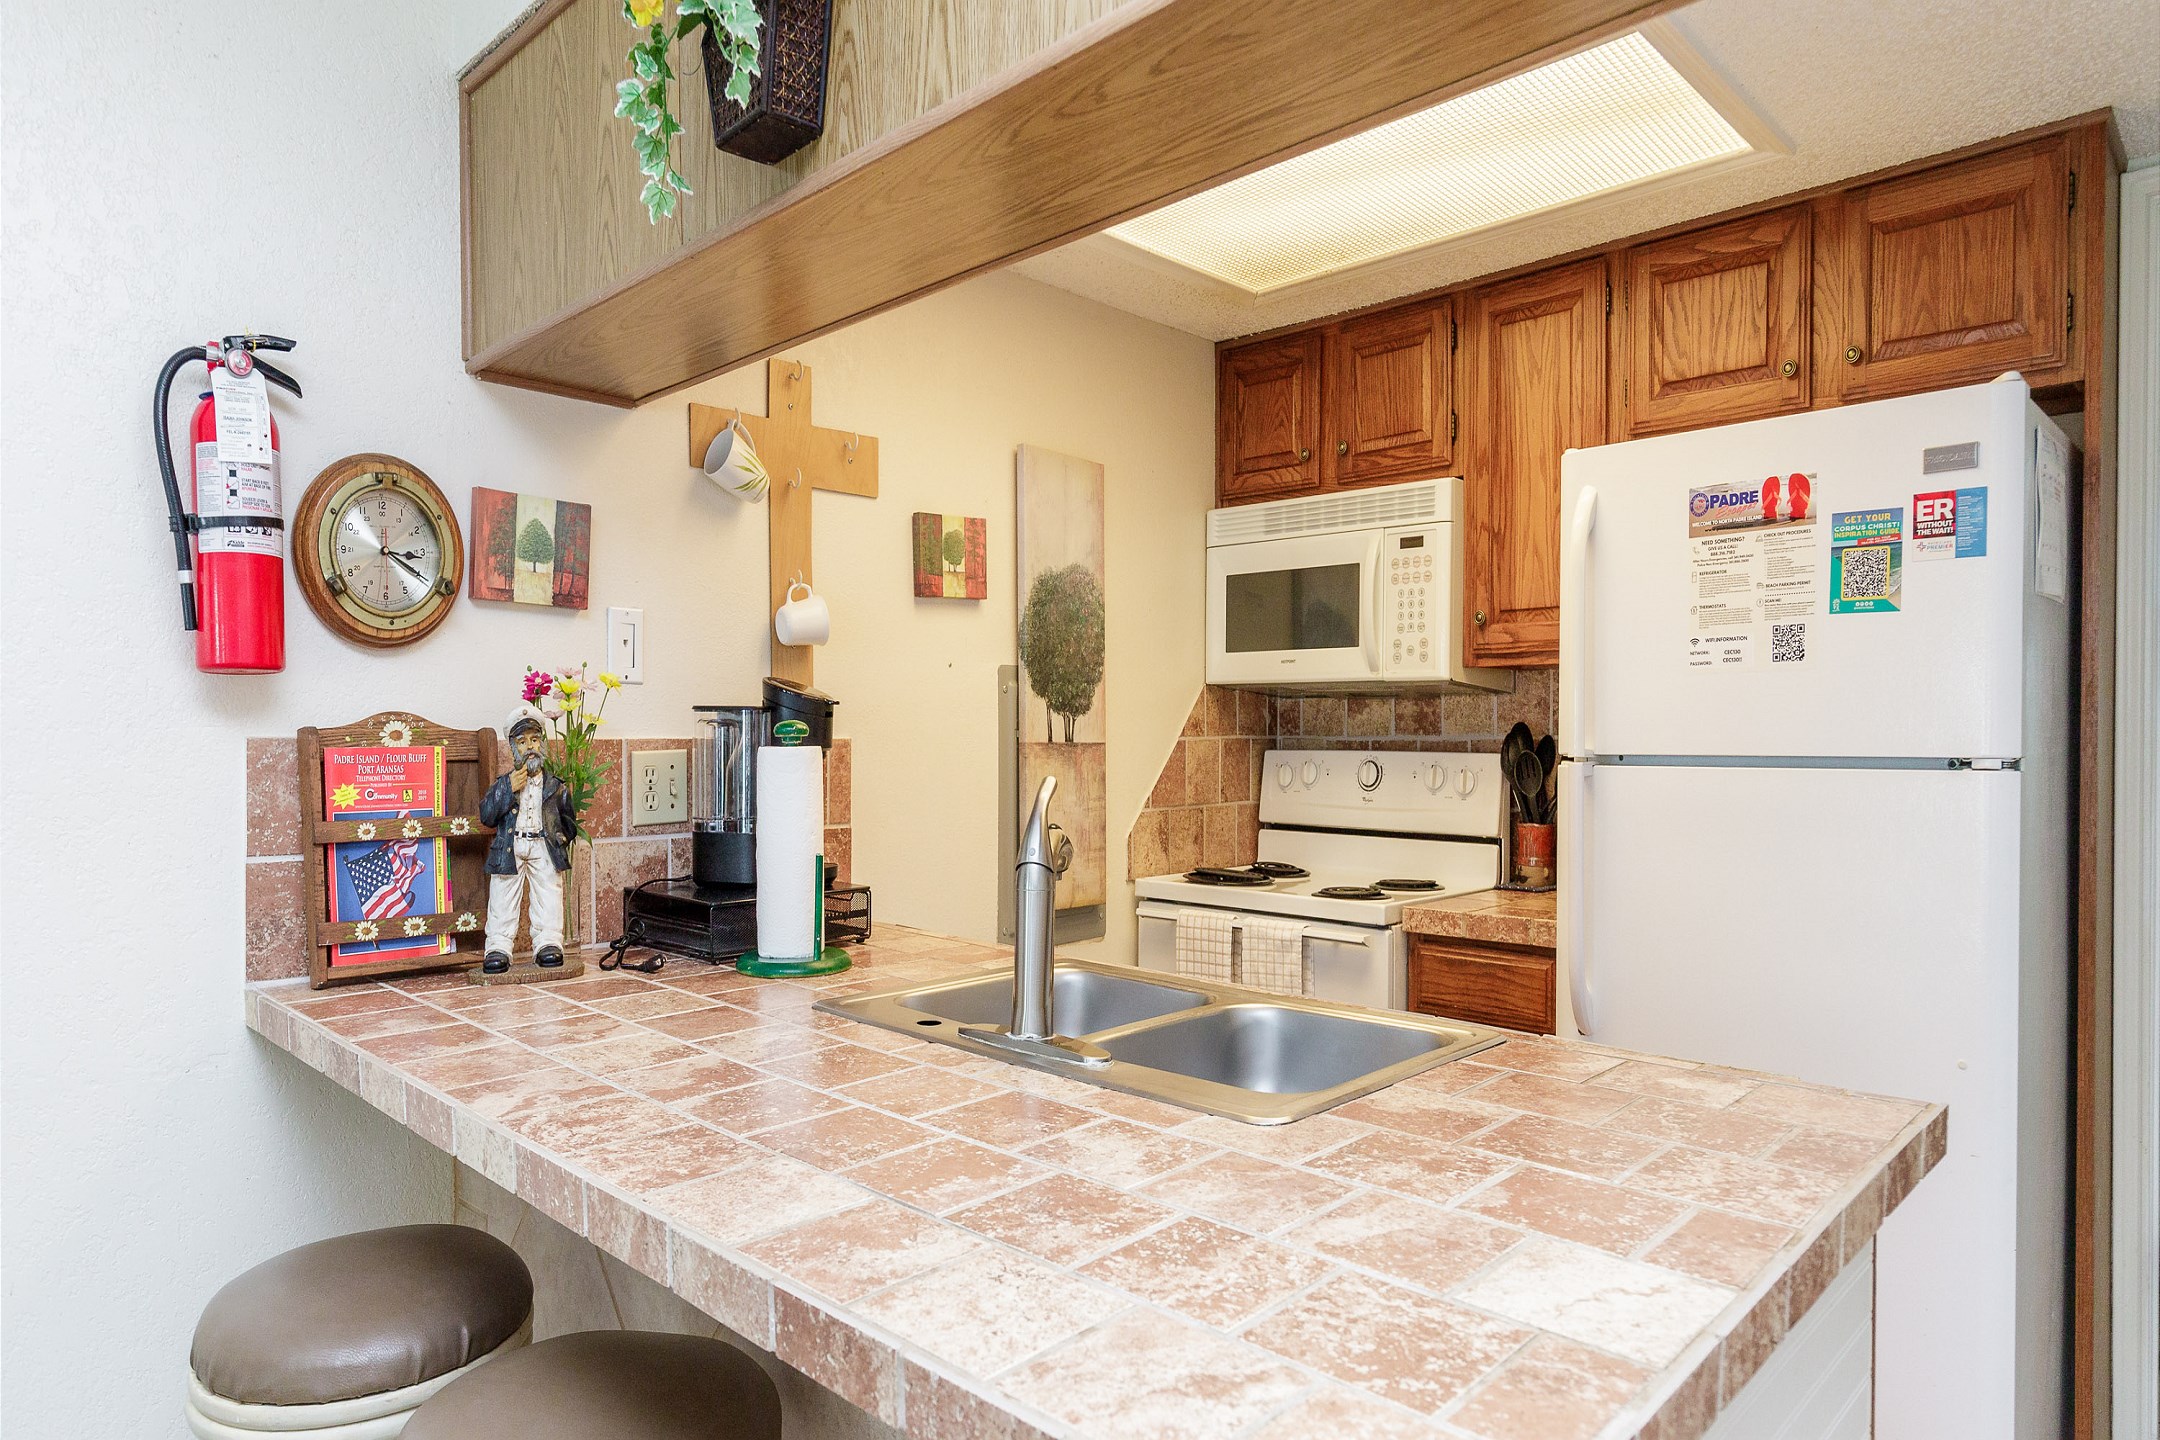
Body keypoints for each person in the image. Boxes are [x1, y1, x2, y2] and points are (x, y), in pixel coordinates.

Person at [478, 704, 577, 973]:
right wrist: (508, 789)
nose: (529, 747)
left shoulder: (555, 786)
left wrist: (559, 839)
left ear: (542, 743)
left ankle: (548, 943)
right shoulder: (504, 783)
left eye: (534, 740)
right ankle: (498, 946)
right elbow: (486, 815)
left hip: (543, 845)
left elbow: (568, 819)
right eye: (522, 742)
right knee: (503, 895)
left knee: (548, 893)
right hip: (512, 846)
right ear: (513, 747)